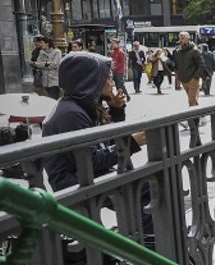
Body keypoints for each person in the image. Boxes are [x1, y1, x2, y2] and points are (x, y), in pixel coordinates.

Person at [42, 52, 147, 191]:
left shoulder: (83, 104)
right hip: (74, 182)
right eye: (108, 77)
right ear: (91, 81)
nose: (113, 82)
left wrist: (116, 110)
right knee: (146, 189)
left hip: (86, 174)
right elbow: (91, 161)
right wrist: (131, 143)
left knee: (147, 185)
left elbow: (108, 141)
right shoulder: (71, 113)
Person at [171, 31, 205, 107]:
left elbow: (201, 65)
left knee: (191, 98)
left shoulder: (194, 51)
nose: (181, 39)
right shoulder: (177, 52)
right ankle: (198, 113)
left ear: (188, 38)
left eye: (183, 37)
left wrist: (196, 77)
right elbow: (176, 64)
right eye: (180, 38)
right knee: (191, 98)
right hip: (183, 79)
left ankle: (192, 117)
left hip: (193, 78)